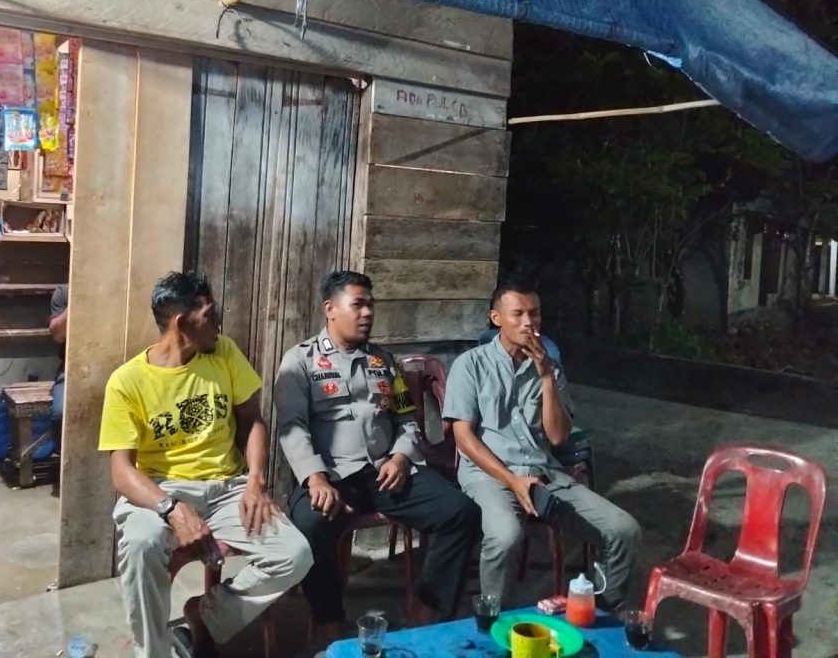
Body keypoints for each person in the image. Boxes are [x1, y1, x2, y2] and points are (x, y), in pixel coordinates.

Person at [99, 271, 313, 658]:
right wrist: (171, 509)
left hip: (228, 488)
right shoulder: (127, 382)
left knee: (295, 554)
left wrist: (255, 481)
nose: (219, 323)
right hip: (161, 490)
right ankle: (154, 653)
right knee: (142, 544)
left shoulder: (223, 352)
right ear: (182, 322)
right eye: (211, 314)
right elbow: (122, 471)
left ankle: (206, 617)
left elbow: (252, 420)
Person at [275, 270, 480, 641]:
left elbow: (406, 419)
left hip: (386, 472)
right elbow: (292, 427)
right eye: (358, 305)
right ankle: (329, 625)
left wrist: (400, 457)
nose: (368, 313)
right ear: (330, 309)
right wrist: (315, 478)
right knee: (310, 525)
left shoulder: (384, 362)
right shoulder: (300, 361)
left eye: (371, 305)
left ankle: (426, 609)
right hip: (332, 476)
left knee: (461, 512)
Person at [443, 280, 641, 611]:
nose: (528, 323)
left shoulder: (551, 367)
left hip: (543, 472)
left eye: (534, 314)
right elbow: (463, 437)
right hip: (488, 474)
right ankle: (494, 620)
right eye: (517, 314)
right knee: (505, 537)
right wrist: (512, 481)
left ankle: (600, 611)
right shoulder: (470, 364)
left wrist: (547, 377)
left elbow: (558, 437)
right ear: (496, 318)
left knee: (623, 531)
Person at [48, 284, 68, 453]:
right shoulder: (63, 292)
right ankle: (65, 459)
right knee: (61, 412)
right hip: (73, 367)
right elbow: (58, 336)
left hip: (115, 365)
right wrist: (77, 300)